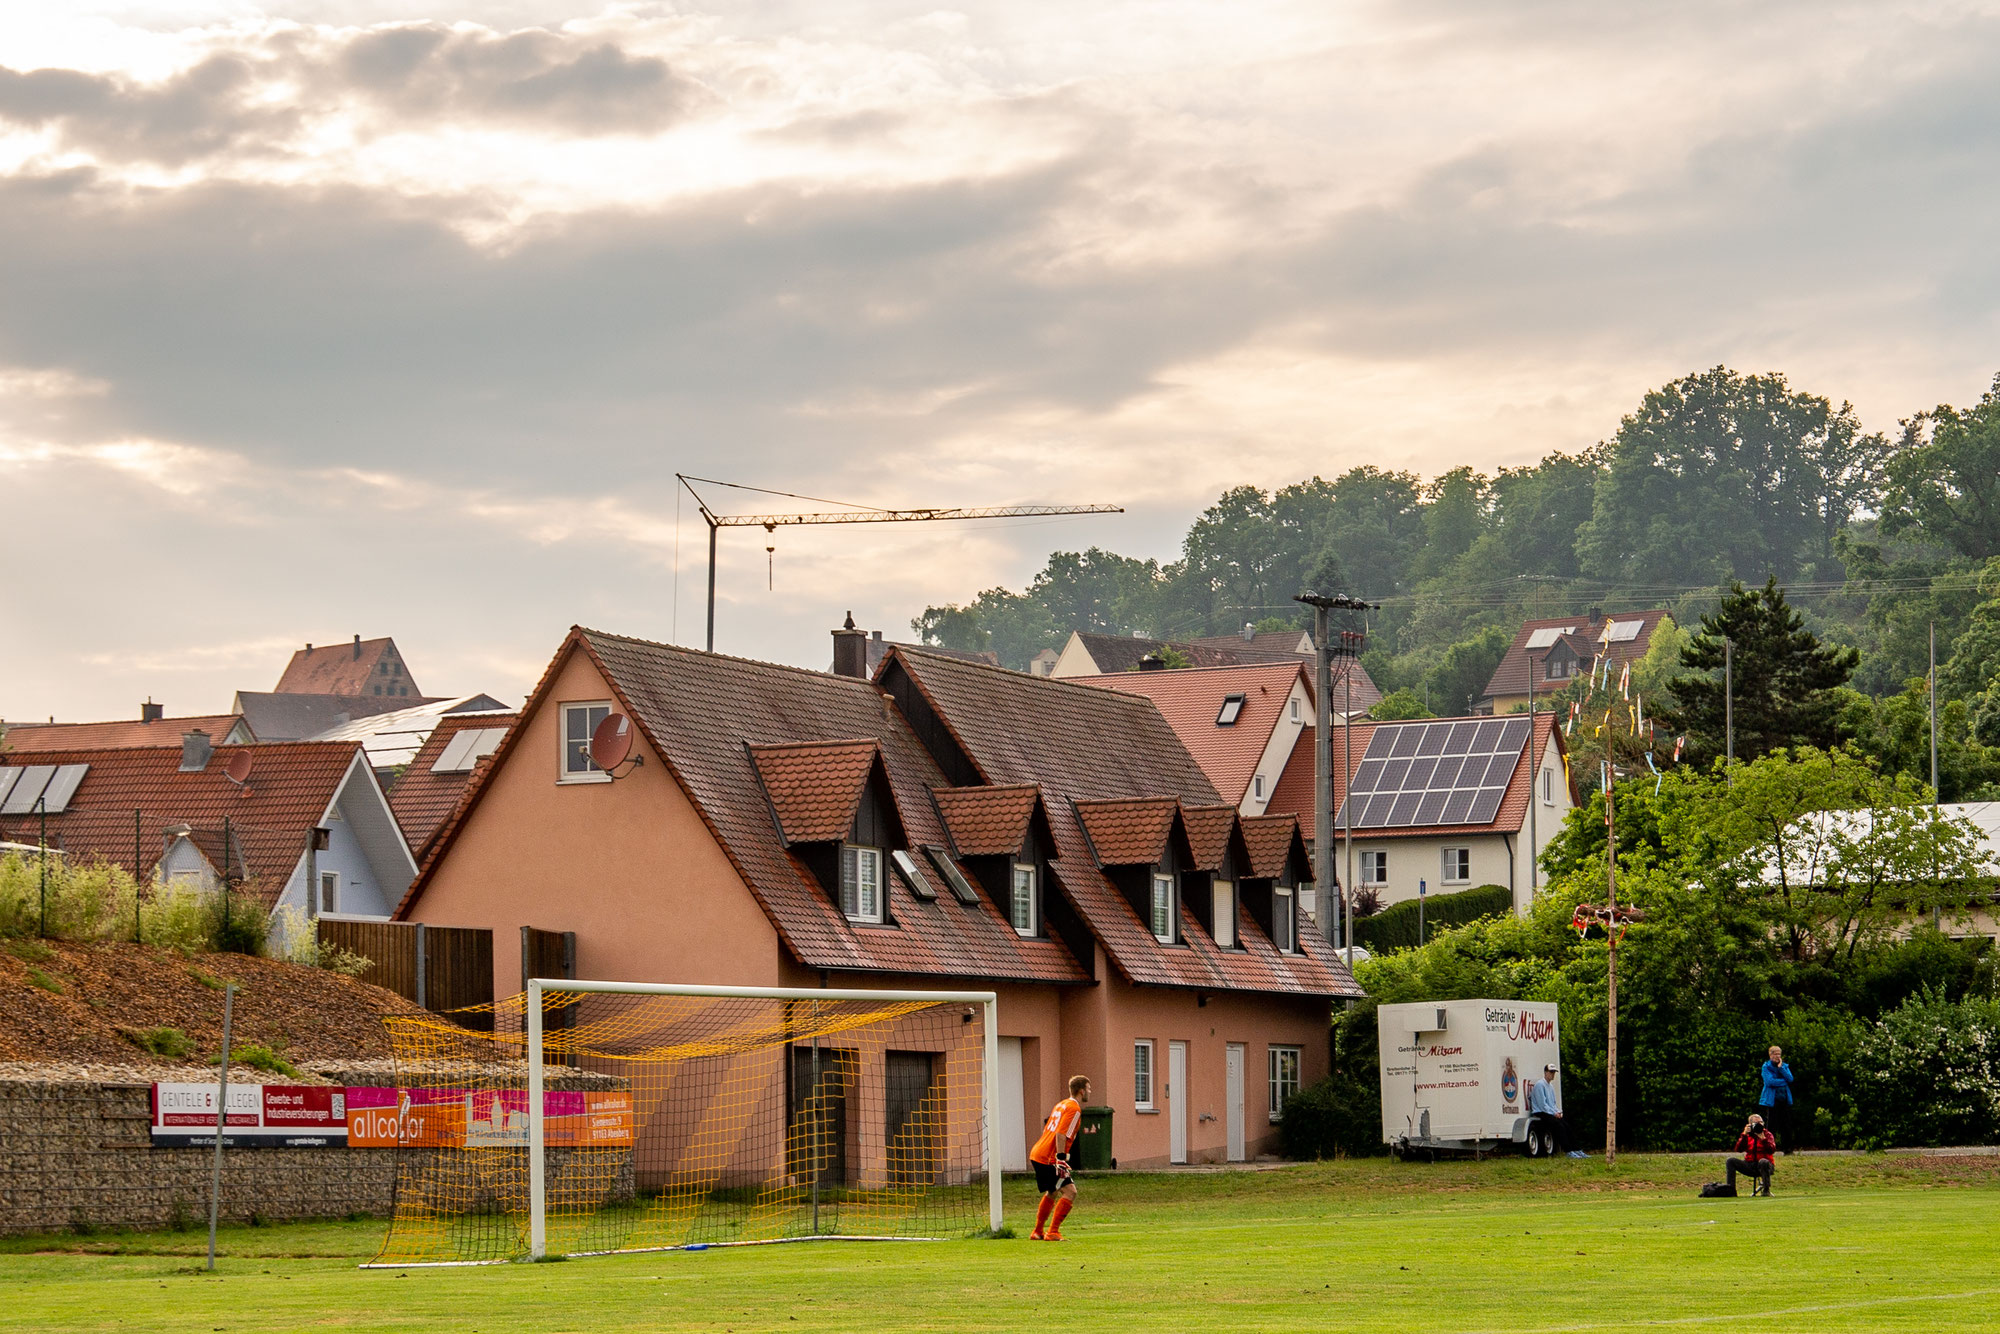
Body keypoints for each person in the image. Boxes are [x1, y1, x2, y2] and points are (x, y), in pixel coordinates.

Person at [1029, 1074, 1090, 1241]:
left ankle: (1038, 1231)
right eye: (1088, 1089)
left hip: (1038, 1152)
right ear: (1082, 1091)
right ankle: (1053, 1232)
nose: (1089, 1092)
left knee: (1053, 1190)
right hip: (1049, 1158)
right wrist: (1061, 1159)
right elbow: (1061, 1134)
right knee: (1070, 1192)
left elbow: (1048, 1129)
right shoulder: (1074, 1109)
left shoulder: (1061, 1104)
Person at [1725, 1113, 1777, 1194]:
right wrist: (1744, 1135)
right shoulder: (1748, 1136)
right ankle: (1730, 1190)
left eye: (1761, 1122)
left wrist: (1763, 1139)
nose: (1759, 1125)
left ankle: (1766, 1190)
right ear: (1750, 1125)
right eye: (1757, 1123)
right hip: (1750, 1164)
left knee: (1763, 1161)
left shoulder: (1767, 1134)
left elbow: (1772, 1150)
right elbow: (1738, 1149)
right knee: (1730, 1161)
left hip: (1765, 1165)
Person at [1758, 1046, 1795, 1153]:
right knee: (1771, 1126)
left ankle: (1788, 1149)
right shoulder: (1766, 1067)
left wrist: (1781, 1068)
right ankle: (1768, 1149)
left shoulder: (1784, 1066)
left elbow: (1790, 1079)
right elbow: (1769, 1082)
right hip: (1772, 1101)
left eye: (1779, 1054)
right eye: (1775, 1054)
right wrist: (1783, 1081)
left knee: (1786, 1125)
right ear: (1770, 1055)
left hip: (1784, 1100)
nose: (1777, 1056)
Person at [1527, 1062, 1567, 1155]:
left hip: (1548, 1112)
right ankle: (1567, 1149)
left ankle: (1574, 1149)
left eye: (1554, 1072)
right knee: (1558, 1125)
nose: (1552, 1074)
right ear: (1545, 1073)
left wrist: (1558, 1112)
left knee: (1564, 1123)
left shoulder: (1550, 1086)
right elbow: (1543, 1105)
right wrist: (1554, 1114)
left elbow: (1552, 1104)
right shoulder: (1540, 1085)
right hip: (1540, 1112)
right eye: (1551, 1072)